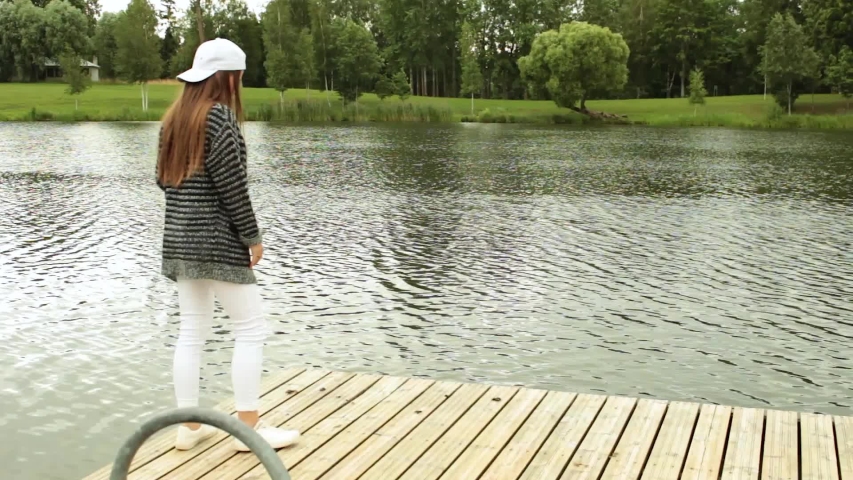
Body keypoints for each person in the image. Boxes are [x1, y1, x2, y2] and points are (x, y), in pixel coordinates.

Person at [155, 38, 299, 452]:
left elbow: (162, 180)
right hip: (217, 240)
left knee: (191, 332)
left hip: (180, 240)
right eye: (239, 77)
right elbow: (233, 188)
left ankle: (189, 427)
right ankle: (248, 431)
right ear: (227, 78)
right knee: (251, 330)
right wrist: (252, 237)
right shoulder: (219, 119)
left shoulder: (173, 120)